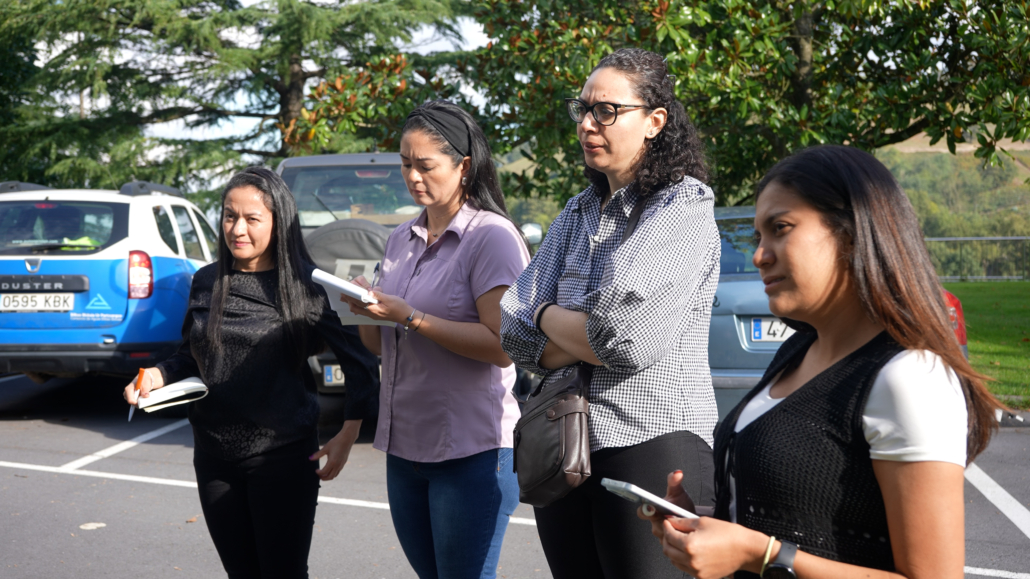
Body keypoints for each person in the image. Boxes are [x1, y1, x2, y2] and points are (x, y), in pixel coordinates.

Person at [643, 145, 1004, 579]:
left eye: (780, 228)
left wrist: (760, 555)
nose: (760, 255)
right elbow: (796, 512)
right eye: (759, 237)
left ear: (851, 234)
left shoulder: (909, 377)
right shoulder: (797, 351)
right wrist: (707, 524)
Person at [498, 47, 721, 578]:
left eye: (606, 111)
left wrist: (544, 311)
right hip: (565, 445)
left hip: (652, 441)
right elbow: (510, 327)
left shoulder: (681, 205)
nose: (586, 124)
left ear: (654, 122)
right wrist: (570, 325)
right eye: (582, 109)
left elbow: (624, 340)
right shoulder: (577, 210)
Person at [123, 166, 379, 579]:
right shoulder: (206, 281)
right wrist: (158, 374)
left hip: (283, 458)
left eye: (252, 218)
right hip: (213, 457)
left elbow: (361, 362)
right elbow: (191, 354)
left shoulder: (308, 287)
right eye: (229, 216)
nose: (237, 229)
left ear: (279, 222)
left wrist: (348, 434)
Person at [341, 100, 530, 579]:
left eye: (425, 165)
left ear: (463, 166)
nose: (412, 176)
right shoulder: (399, 238)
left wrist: (411, 317)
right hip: (404, 447)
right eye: (405, 163)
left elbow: (504, 345)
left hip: (472, 451)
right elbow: (380, 345)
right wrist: (366, 309)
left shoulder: (492, 237)